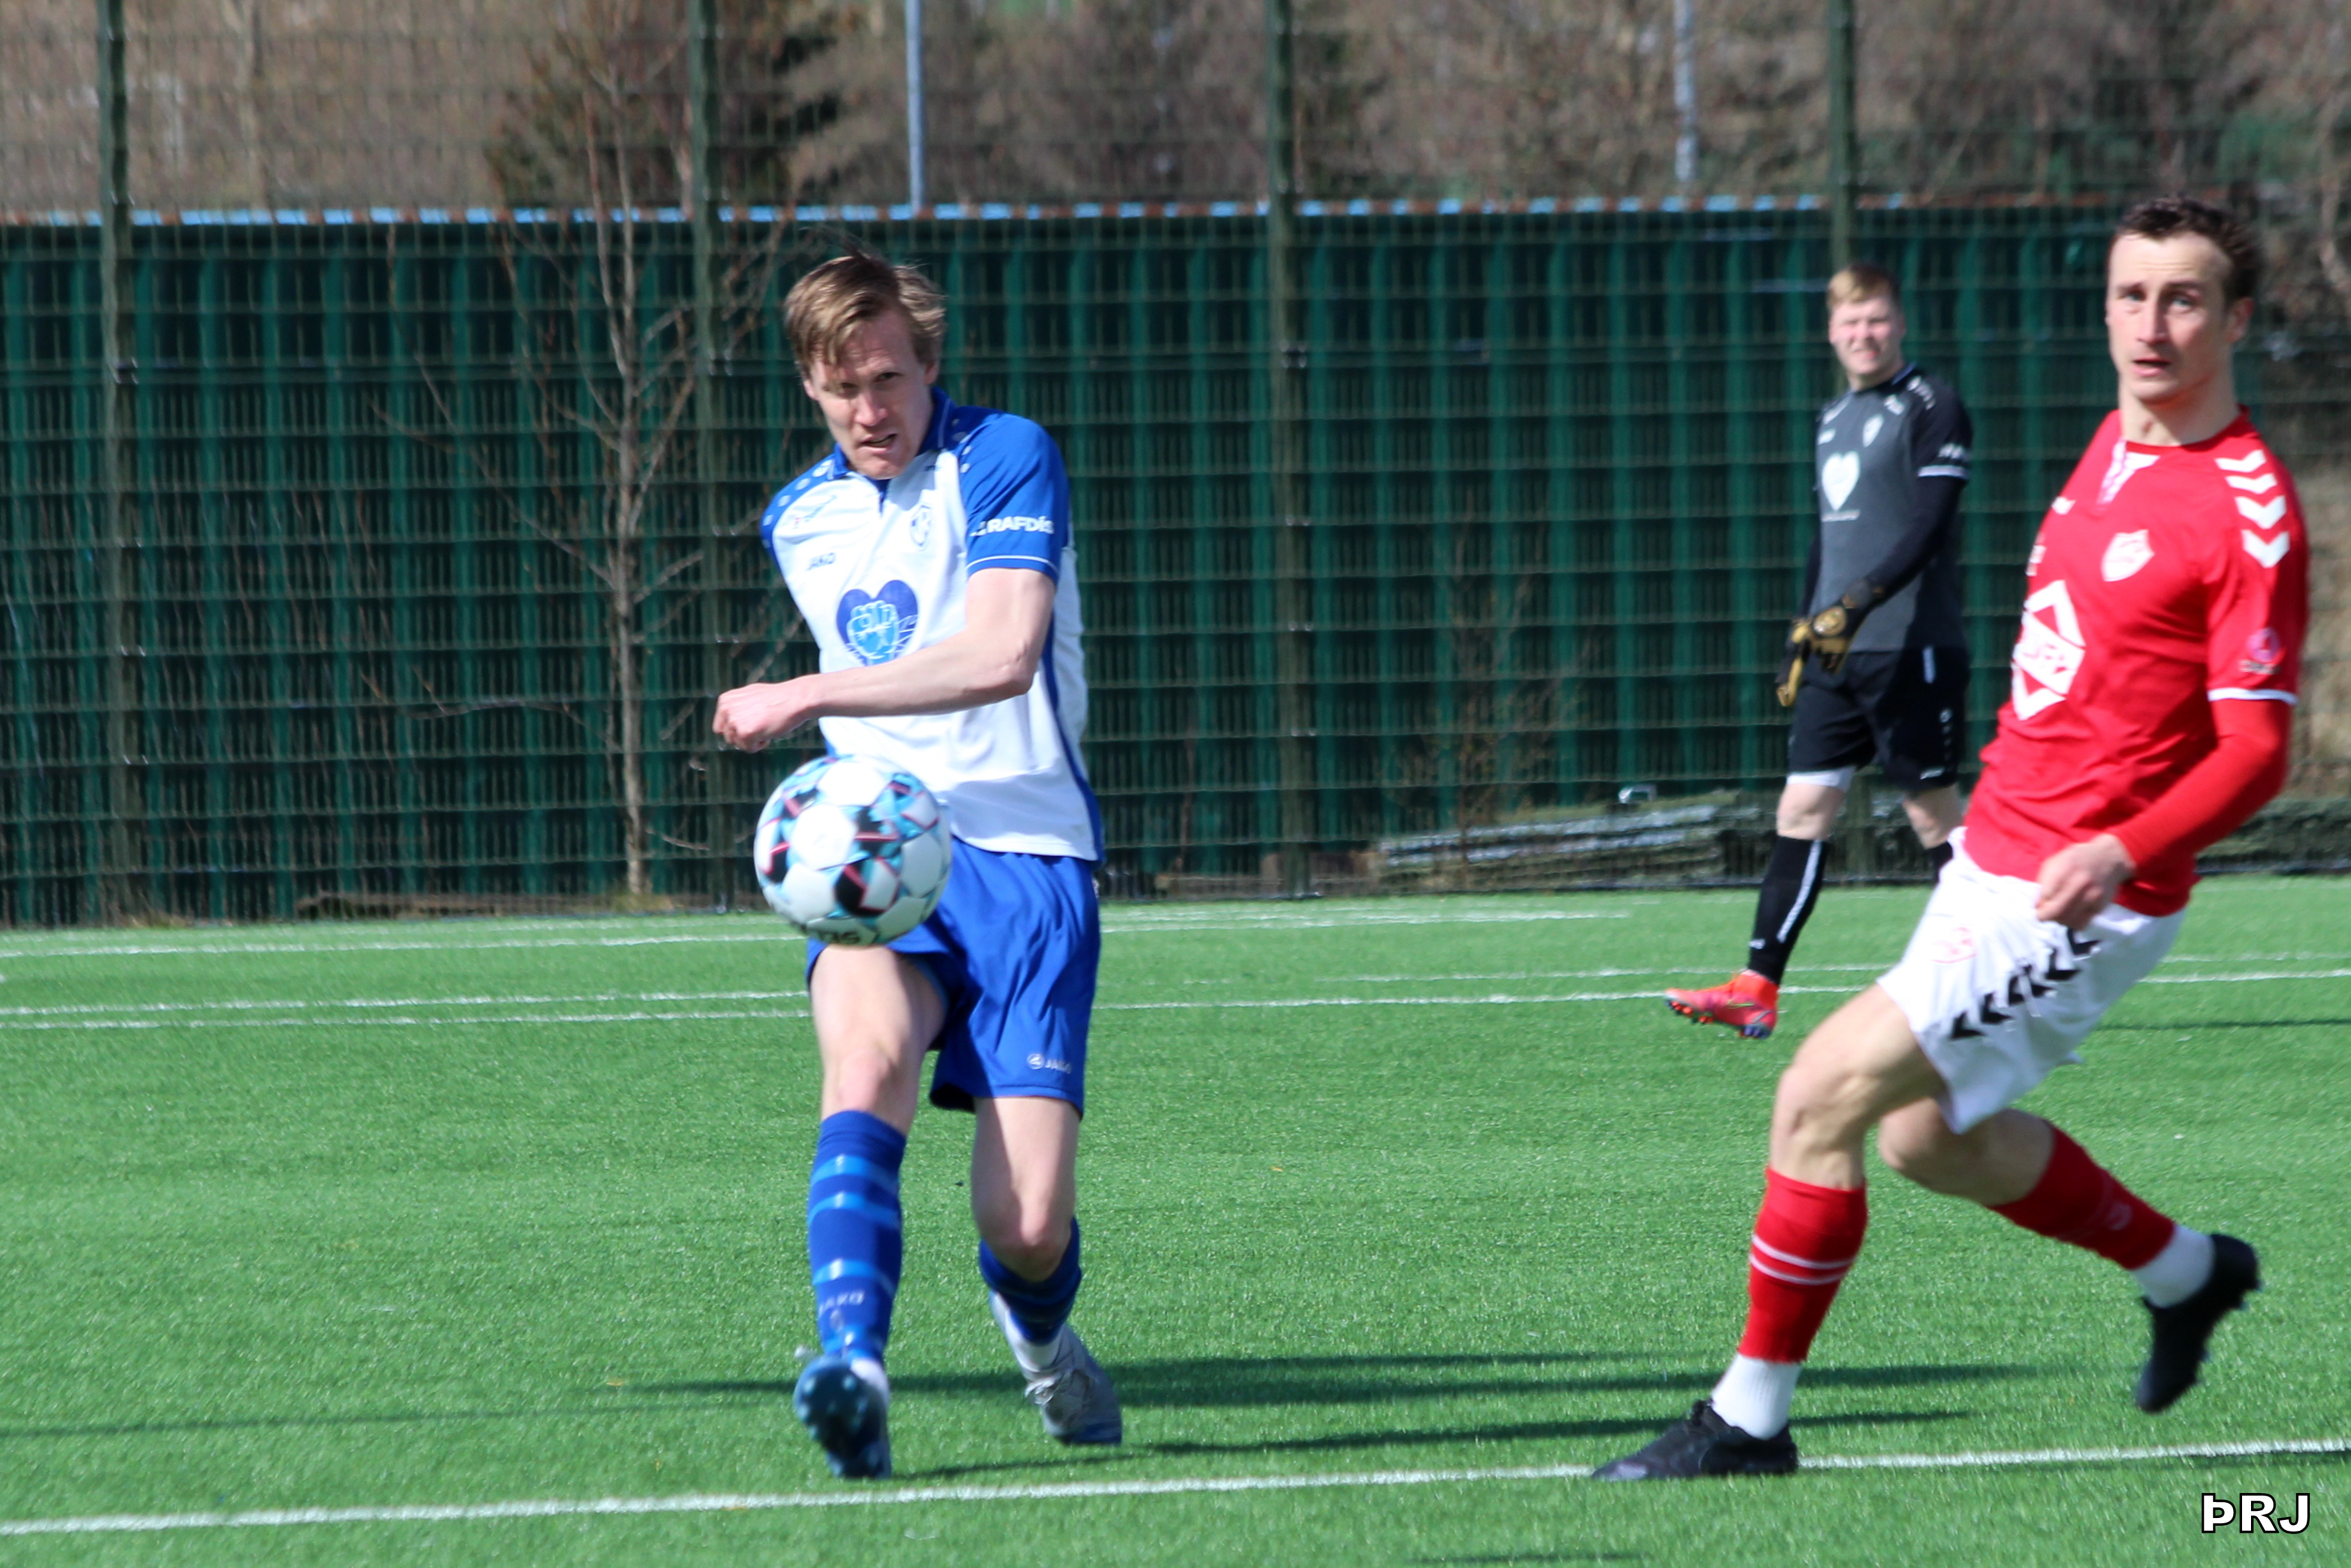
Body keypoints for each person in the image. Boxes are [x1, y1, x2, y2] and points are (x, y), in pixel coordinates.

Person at [1599, 194, 2305, 1480]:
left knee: (1817, 1089)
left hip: (2083, 888)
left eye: (2184, 299)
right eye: (2131, 295)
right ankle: (2186, 1271)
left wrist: (2118, 846)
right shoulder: (2116, 441)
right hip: (1998, 850)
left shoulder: (2247, 511)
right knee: (1925, 1136)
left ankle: (1747, 1418)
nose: (2152, 324)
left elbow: (2258, 750)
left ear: (2236, 318)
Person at [713, 245, 1119, 1480]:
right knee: (866, 1066)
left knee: (1027, 1222)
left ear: (926, 362)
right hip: (880, 855)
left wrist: (806, 692)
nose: (869, 410)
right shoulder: (798, 517)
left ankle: (1041, 1342)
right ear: (809, 386)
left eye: (887, 378)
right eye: (842, 388)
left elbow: (1000, 654)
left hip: (1028, 856)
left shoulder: (1003, 456)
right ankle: (856, 1369)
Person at [1667, 264, 1974, 1041]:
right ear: (1830, 331)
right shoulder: (1832, 416)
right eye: (1849, 322)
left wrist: (1860, 600)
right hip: (1835, 653)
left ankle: (1992, 981)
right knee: (1801, 809)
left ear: (1897, 322)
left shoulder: (1931, 404)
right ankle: (1755, 987)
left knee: (1933, 817)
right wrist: (1800, 633)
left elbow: (1928, 525)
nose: (1863, 334)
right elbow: (1826, 539)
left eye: (1875, 319)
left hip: (1909, 645)